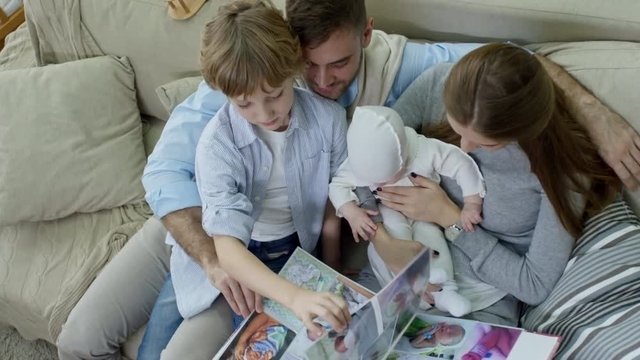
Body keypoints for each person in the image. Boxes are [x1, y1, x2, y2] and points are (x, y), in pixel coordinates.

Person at [56, 0, 640, 357]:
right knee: (84, 337)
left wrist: (599, 118)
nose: (318, 79)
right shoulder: (246, 83)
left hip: (271, 246)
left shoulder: (354, 104)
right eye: (305, 66)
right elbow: (164, 173)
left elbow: (508, 64)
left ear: (366, 36)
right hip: (186, 228)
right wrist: (210, 256)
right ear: (287, 51)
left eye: (336, 63)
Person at [135, 1, 350, 359]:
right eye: (244, 104)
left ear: (295, 68)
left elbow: (333, 201)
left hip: (288, 252)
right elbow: (228, 251)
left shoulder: (328, 119)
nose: (263, 114)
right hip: (228, 246)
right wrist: (294, 296)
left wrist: (333, 269)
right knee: (156, 346)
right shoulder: (217, 145)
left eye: (274, 96)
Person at [373, 43, 622, 326]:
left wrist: (450, 219)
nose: (464, 149)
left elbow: (535, 284)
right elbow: (363, 169)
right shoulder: (436, 84)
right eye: (456, 131)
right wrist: (383, 243)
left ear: (525, 129)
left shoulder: (561, 171)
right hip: (394, 267)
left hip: (481, 301)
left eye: (486, 143)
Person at [329, 105, 485, 316]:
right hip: (388, 212)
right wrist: (351, 211)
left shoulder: (423, 150)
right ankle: (414, 290)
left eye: (385, 177)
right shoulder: (356, 163)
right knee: (394, 242)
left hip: (425, 213)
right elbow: (337, 185)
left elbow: (460, 163)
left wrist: (472, 202)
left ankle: (446, 290)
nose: (376, 182)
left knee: (432, 242)